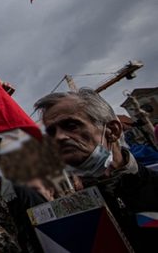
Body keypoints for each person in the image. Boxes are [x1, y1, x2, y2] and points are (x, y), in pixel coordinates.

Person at [35, 88, 158, 252]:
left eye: (71, 125)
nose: (58, 137)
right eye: (51, 133)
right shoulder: (59, 213)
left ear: (112, 131)